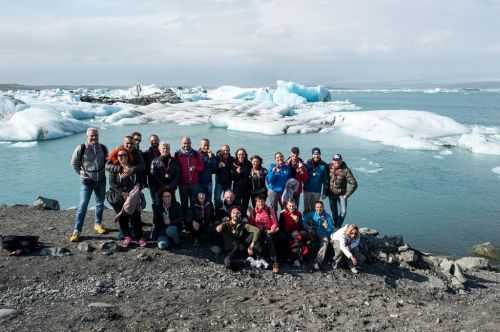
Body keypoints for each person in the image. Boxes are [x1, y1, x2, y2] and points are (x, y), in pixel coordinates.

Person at [69, 128, 109, 242]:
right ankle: (77, 231)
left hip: (101, 180)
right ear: (87, 136)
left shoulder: (103, 148)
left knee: (100, 203)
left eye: (96, 135)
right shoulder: (81, 148)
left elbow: (108, 161)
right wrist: (82, 174)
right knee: (82, 205)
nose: (94, 138)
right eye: (92, 136)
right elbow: (74, 163)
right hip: (87, 182)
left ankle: (98, 224)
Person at [106, 147, 146, 248]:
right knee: (123, 218)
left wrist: (134, 189)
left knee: (135, 217)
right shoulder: (115, 168)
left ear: (128, 156)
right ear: (117, 157)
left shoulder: (133, 168)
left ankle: (140, 237)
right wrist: (122, 193)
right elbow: (112, 184)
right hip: (119, 196)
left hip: (133, 195)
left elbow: (140, 181)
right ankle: (127, 237)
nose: (122, 157)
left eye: (124, 155)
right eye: (120, 155)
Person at [216, 206, 261, 271]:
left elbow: (257, 230)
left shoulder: (243, 224)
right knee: (227, 263)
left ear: (240, 214)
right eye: (233, 213)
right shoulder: (226, 224)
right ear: (230, 214)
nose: (235, 215)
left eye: (237, 213)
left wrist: (251, 245)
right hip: (230, 250)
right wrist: (224, 223)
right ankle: (246, 262)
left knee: (253, 234)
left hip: (240, 248)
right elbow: (218, 229)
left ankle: (258, 257)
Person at [324, 154, 358, 228]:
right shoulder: (328, 167)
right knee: (334, 212)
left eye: (338, 160)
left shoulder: (346, 170)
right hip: (331, 194)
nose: (337, 162)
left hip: (342, 195)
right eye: (335, 160)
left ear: (341, 160)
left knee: (343, 212)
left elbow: (354, 183)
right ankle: (336, 227)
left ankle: (338, 226)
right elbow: (320, 165)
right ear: (332, 160)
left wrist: (347, 195)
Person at [248, 195, 280, 273]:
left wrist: (271, 230)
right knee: (256, 238)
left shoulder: (269, 210)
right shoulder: (253, 211)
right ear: (256, 202)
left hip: (267, 230)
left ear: (264, 201)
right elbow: (251, 223)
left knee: (269, 238)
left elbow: (275, 223)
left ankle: (275, 262)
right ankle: (259, 259)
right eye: (259, 201)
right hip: (258, 231)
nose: (261, 203)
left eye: (262, 201)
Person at [174, 136, 204, 218]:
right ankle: (184, 220)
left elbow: (201, 167)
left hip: (194, 184)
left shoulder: (196, 154)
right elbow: (174, 169)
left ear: (191, 143)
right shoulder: (177, 154)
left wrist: (195, 168)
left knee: (194, 203)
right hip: (182, 184)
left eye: (188, 143)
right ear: (181, 144)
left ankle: (193, 220)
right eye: (184, 143)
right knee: (184, 203)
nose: (186, 145)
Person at [302, 201, 334, 270]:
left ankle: (318, 261)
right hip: (313, 231)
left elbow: (331, 229)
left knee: (325, 242)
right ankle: (301, 257)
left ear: (323, 207)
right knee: (302, 234)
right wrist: (307, 227)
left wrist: (326, 227)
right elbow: (303, 220)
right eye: (317, 207)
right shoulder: (312, 214)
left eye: (320, 207)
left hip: (323, 233)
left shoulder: (327, 216)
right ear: (315, 207)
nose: (319, 209)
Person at [278, 200, 308, 266]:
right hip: (286, 231)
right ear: (287, 206)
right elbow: (280, 225)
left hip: (295, 231)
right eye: (290, 206)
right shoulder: (283, 213)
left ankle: (295, 258)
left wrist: (297, 221)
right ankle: (294, 257)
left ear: (295, 206)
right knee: (283, 237)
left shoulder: (298, 213)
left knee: (299, 236)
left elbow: (301, 226)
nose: (291, 207)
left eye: (293, 206)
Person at [303, 147, 327, 214]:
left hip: (317, 191)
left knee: (315, 209)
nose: (316, 155)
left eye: (318, 154)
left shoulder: (324, 165)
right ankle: (306, 223)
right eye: (314, 154)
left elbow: (325, 180)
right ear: (312, 155)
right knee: (306, 208)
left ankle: (314, 223)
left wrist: (324, 192)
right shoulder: (307, 163)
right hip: (307, 190)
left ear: (320, 154)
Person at [231, 148, 252, 216]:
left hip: (247, 187)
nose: (241, 156)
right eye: (239, 154)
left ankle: (244, 216)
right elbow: (232, 178)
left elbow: (249, 174)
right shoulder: (234, 164)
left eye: (243, 154)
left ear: (245, 155)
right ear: (236, 155)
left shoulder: (248, 163)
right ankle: (238, 216)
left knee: (245, 204)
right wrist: (237, 173)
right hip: (237, 188)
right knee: (237, 204)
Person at [213, 144, 233, 209]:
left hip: (228, 182)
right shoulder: (217, 158)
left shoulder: (232, 159)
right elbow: (213, 170)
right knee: (217, 198)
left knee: (228, 199)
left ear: (229, 151)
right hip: (219, 182)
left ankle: (227, 211)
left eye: (227, 150)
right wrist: (218, 166)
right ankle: (217, 210)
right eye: (224, 150)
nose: (226, 152)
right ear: (221, 151)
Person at [143, 134, 161, 201]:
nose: (154, 142)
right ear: (150, 142)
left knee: (165, 198)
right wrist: (144, 182)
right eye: (152, 140)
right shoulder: (146, 154)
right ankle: (156, 211)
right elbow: (143, 169)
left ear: (159, 141)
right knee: (155, 199)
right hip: (152, 180)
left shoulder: (163, 151)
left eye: (156, 140)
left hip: (163, 180)